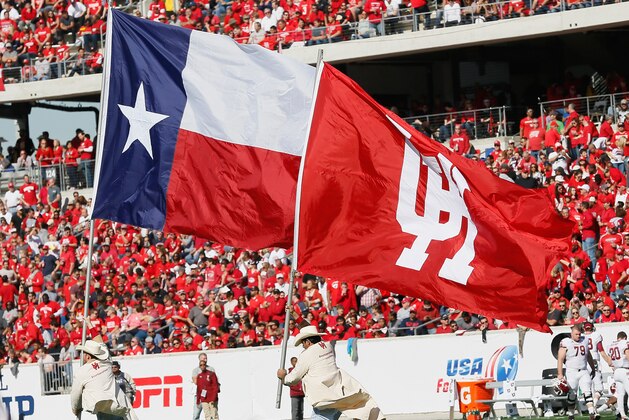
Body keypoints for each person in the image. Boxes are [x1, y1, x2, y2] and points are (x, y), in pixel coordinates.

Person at [277, 326, 384, 420]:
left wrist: (283, 377)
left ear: (308, 342)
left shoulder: (306, 354)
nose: (303, 346)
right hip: (339, 395)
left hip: (325, 399)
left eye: (303, 343)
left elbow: (293, 378)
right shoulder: (328, 347)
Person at [70, 340, 131, 419]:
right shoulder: (107, 364)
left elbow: (76, 395)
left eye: (83, 353)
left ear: (88, 356)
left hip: (102, 407)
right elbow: (102, 346)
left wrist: (76, 408)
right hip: (117, 405)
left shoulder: (81, 372)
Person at [556, 324, 598, 420]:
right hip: (571, 371)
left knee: (587, 391)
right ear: (571, 333)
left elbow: (588, 355)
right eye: (576, 334)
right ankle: (571, 414)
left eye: (579, 334)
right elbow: (560, 359)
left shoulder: (585, 340)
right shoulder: (566, 342)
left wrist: (593, 368)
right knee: (572, 394)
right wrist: (560, 374)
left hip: (583, 370)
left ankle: (592, 412)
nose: (578, 336)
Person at [192, 353, 215, 420]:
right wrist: (206, 381)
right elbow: (195, 381)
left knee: (211, 413)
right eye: (203, 358)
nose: (205, 359)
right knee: (196, 414)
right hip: (199, 394)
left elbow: (214, 381)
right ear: (199, 359)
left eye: (206, 358)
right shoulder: (196, 370)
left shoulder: (211, 369)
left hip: (209, 394)